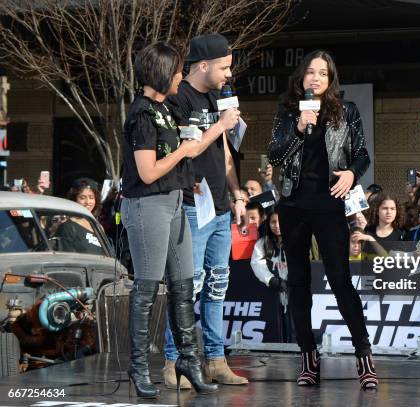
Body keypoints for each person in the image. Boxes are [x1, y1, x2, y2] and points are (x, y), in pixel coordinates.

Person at [268, 50, 378, 389]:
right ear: (301, 78)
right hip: (293, 205)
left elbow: (362, 154)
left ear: (330, 80)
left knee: (340, 280)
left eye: (322, 73)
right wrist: (300, 128)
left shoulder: (347, 111)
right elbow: (274, 154)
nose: (315, 78)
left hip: (330, 203)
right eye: (310, 72)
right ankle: (308, 358)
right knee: (299, 283)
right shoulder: (288, 112)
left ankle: (364, 357)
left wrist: (352, 175)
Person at [120, 42, 217, 398]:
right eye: (177, 71)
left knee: (183, 285)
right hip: (148, 205)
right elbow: (146, 173)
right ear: (163, 73)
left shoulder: (162, 109)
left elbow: (165, 164)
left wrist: (184, 173)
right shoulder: (142, 115)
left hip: (175, 201)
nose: (181, 76)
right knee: (146, 289)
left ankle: (189, 360)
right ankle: (139, 365)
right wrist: (183, 151)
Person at [163, 33, 248, 387]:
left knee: (217, 285)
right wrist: (220, 124)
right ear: (203, 65)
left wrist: (237, 193)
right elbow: (191, 149)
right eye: (224, 67)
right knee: (188, 286)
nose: (229, 74)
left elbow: (225, 152)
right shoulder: (179, 98)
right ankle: (173, 362)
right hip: (193, 205)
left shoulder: (219, 97)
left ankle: (215, 358)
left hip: (221, 205)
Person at [250, 210, 292, 343]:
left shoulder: (297, 239)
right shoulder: (263, 242)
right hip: (273, 291)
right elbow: (257, 264)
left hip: (295, 289)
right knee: (277, 324)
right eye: (273, 222)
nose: (277, 225)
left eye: (281, 221)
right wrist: (272, 280)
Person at [54, 178, 104, 255]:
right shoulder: (68, 227)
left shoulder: (98, 226)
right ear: (74, 199)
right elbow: (66, 260)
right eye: (82, 198)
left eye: (91, 197)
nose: (87, 202)